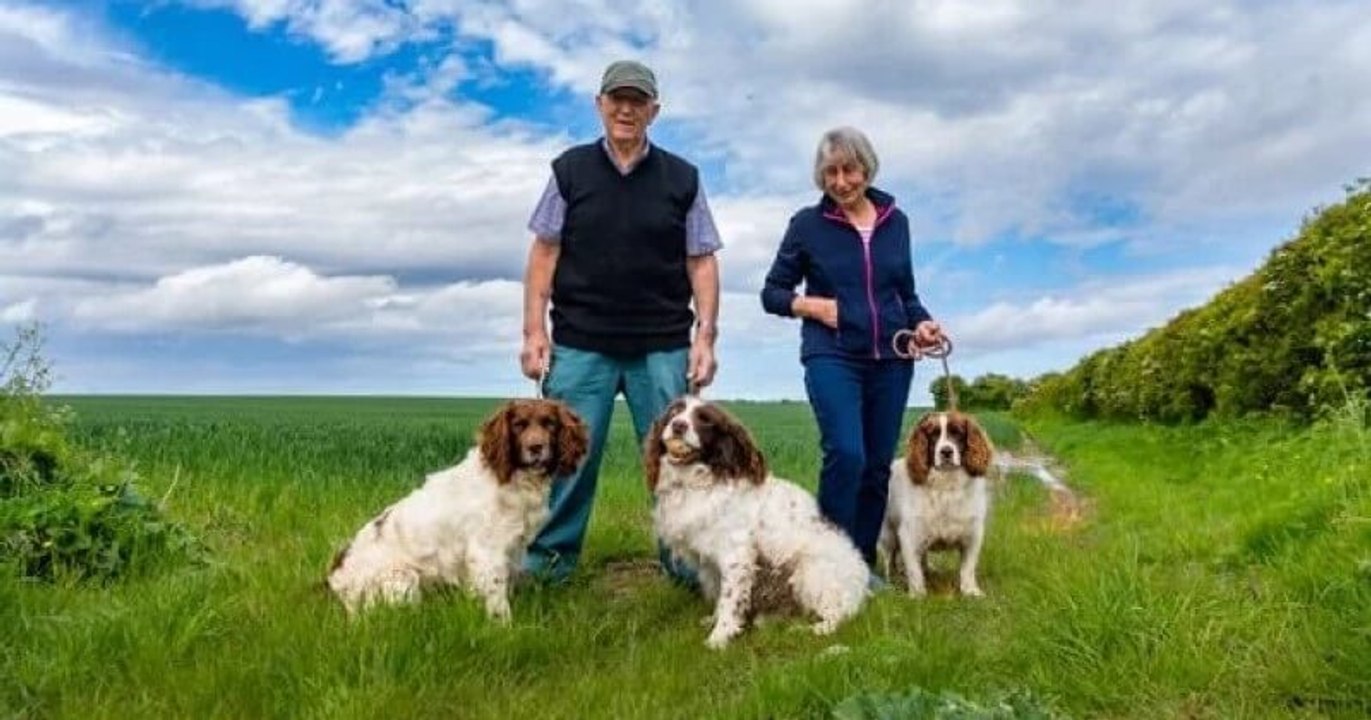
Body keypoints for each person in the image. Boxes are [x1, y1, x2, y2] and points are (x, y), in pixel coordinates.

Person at [519, 60, 721, 583]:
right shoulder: (569, 170)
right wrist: (534, 332)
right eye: (617, 99)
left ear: (654, 110)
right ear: (600, 104)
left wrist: (706, 337)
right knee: (568, 460)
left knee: (677, 459)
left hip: (662, 343)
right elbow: (544, 252)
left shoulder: (683, 178)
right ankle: (549, 567)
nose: (626, 109)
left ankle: (685, 568)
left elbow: (701, 260)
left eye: (637, 101)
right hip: (582, 342)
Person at [759, 126, 943, 573]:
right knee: (847, 453)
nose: (840, 182)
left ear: (867, 168)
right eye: (830, 173)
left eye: (849, 170)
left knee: (878, 466)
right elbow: (772, 293)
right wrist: (814, 307)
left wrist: (922, 324)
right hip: (832, 354)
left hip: (893, 360)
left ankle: (859, 568)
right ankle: (826, 563)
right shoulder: (807, 225)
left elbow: (906, 293)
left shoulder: (896, 222)